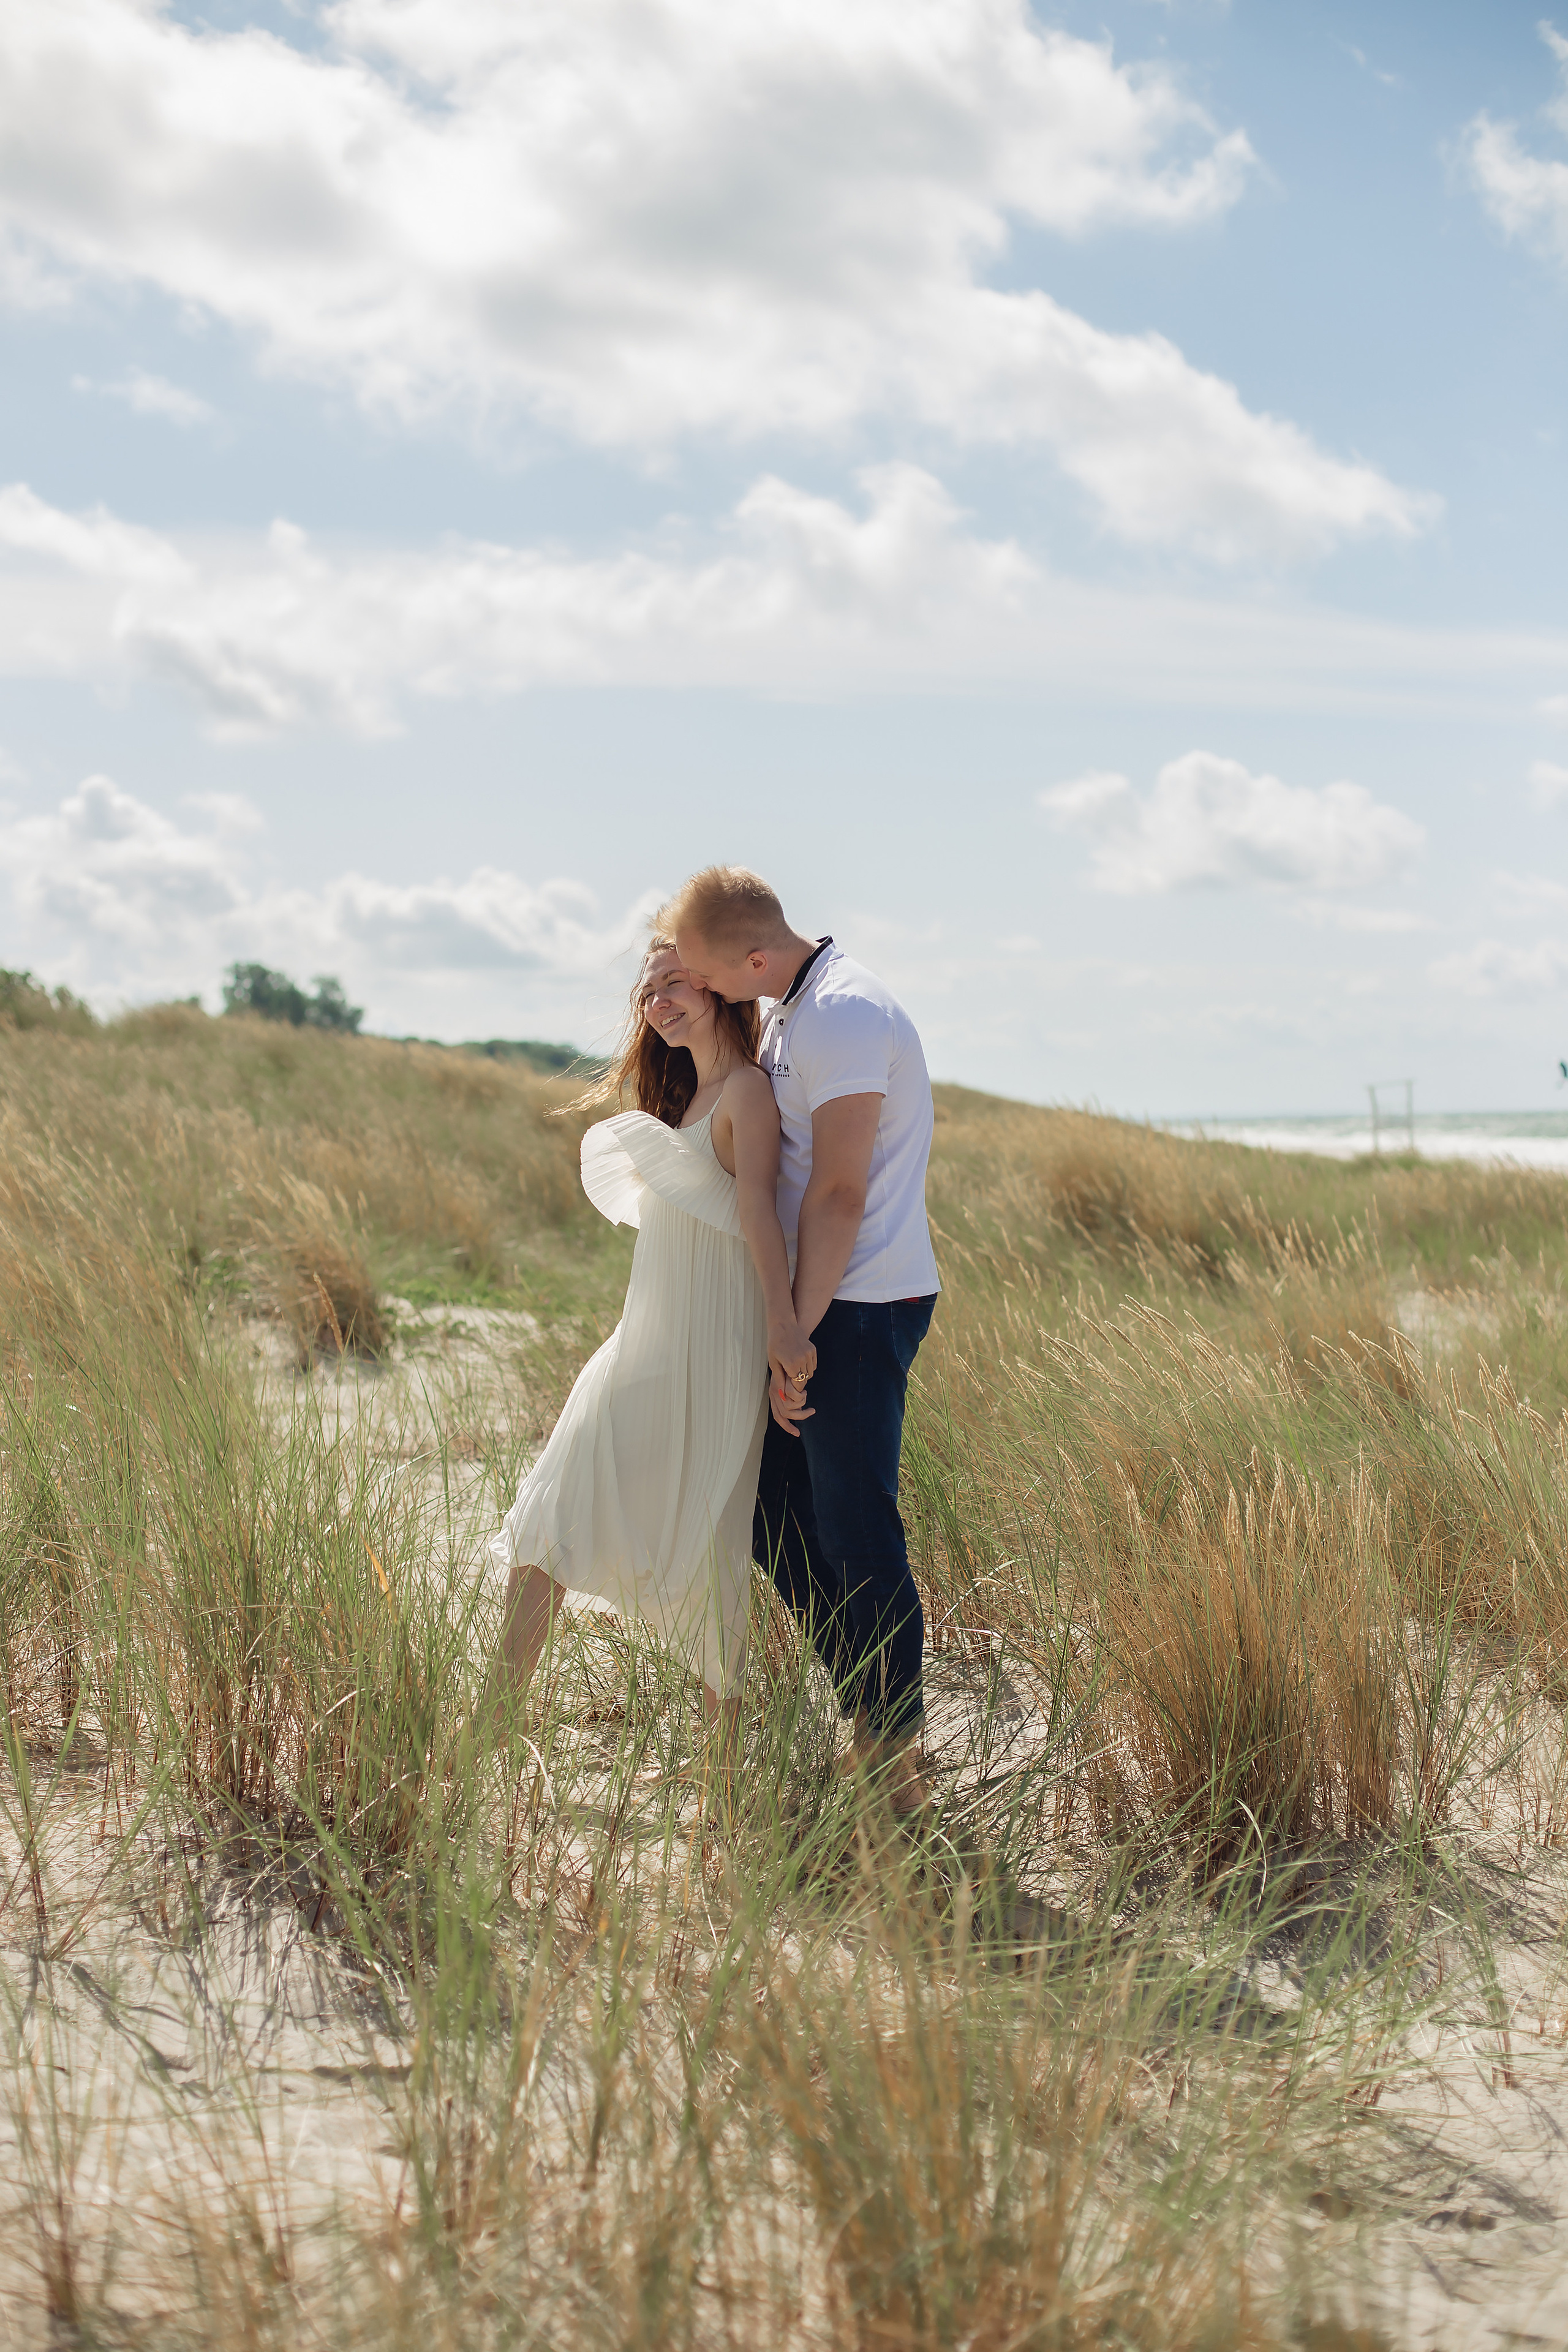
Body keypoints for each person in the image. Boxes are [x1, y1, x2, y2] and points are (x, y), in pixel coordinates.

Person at [486, 940, 813, 1765]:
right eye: (650, 987)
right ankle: (487, 1729)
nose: (657, 999)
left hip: (709, 1352)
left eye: (675, 982)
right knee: (551, 1519)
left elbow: (763, 1223)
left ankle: (726, 1796)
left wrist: (784, 1333)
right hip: (643, 1344)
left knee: (705, 1558)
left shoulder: (745, 1092)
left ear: (717, 988)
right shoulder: (690, 1096)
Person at [666, 866, 941, 1814]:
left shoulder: (846, 1013)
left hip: (861, 1306)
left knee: (858, 1526)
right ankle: (874, 1715)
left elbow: (838, 1192)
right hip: (817, 1306)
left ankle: (897, 1764)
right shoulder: (789, 1008)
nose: (697, 988)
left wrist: (798, 1336)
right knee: (773, 1514)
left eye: (702, 972)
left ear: (750, 956)